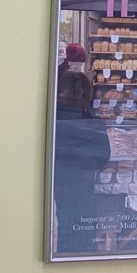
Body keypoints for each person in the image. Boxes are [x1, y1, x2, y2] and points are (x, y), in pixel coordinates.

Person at [52, 71, 111, 255]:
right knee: (83, 232)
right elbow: (102, 156)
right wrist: (79, 151)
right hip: (82, 188)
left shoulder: (52, 121)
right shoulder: (92, 124)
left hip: (58, 185)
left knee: (64, 228)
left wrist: (69, 150)